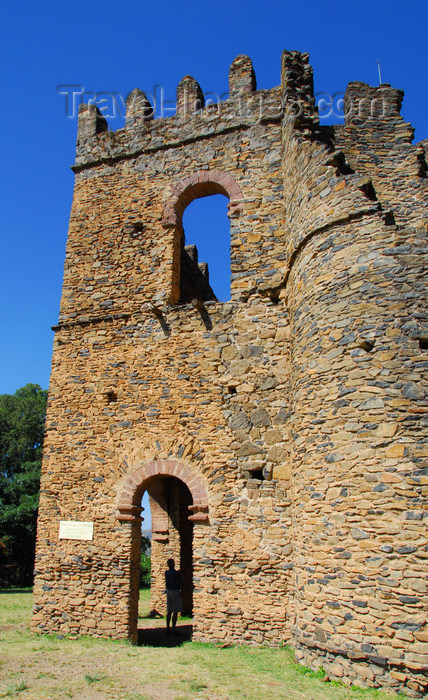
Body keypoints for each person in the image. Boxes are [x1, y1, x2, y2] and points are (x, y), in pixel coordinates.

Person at [165, 558, 183, 633]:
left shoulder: (166, 572)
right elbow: (182, 579)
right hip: (175, 591)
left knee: (169, 610)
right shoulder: (176, 573)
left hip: (168, 591)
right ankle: (173, 628)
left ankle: (168, 627)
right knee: (175, 611)